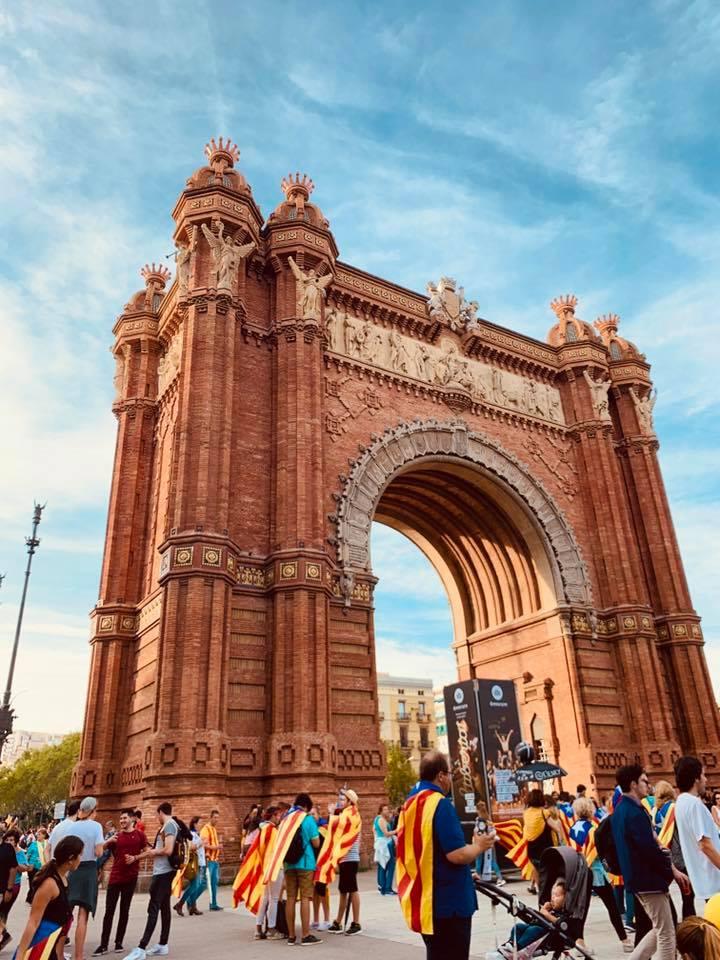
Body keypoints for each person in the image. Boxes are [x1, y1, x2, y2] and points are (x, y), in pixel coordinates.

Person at [396, 750, 495, 960]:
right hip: (450, 904)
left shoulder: (410, 804)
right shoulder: (439, 804)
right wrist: (479, 846)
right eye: (449, 773)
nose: (451, 778)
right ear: (441, 775)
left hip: (426, 901)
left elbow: (428, 852)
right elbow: (456, 855)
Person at [611, 764, 687, 960]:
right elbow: (648, 850)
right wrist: (667, 871)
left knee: (660, 927)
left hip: (637, 880)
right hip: (649, 880)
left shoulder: (620, 810)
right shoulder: (635, 813)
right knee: (666, 933)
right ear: (633, 784)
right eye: (644, 781)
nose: (648, 785)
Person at [569, 797, 631, 953]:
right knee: (612, 907)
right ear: (590, 810)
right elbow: (598, 853)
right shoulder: (593, 828)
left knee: (581, 909)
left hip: (580, 873)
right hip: (596, 873)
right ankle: (625, 941)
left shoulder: (573, 828)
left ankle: (579, 942)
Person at [49, 796, 104, 960]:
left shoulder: (71, 827)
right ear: (93, 810)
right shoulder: (96, 827)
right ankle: (78, 956)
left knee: (66, 913)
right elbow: (99, 852)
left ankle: (58, 953)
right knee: (83, 916)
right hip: (88, 871)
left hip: (72, 870)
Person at [123, 801, 179, 960]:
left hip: (163, 873)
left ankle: (141, 947)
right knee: (164, 908)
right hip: (165, 872)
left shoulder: (169, 825)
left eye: (157, 814)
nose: (157, 818)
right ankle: (163, 944)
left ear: (161, 812)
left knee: (153, 908)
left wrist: (154, 851)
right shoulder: (172, 825)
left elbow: (168, 850)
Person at [13, 836, 83, 960]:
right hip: (42, 946)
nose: (81, 860)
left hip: (52, 947)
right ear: (71, 859)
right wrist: (20, 955)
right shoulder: (49, 884)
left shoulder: (64, 879)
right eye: (80, 855)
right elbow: (33, 922)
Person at [93, 809, 147, 955]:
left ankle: (118, 943)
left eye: (124, 818)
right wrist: (108, 841)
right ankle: (103, 944)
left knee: (124, 910)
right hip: (116, 877)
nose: (122, 821)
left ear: (131, 819)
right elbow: (98, 850)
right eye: (121, 819)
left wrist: (135, 858)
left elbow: (147, 851)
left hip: (131, 877)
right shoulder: (116, 837)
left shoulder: (139, 835)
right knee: (109, 911)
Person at [675, 756, 720, 907]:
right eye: (703, 775)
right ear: (696, 779)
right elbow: (705, 845)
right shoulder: (694, 804)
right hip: (714, 880)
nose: (706, 780)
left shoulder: (681, 802)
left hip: (705, 880)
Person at [652, 779, 696, 921]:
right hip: (680, 856)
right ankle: (689, 925)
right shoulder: (673, 808)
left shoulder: (655, 812)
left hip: (666, 857)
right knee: (688, 895)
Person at [493, 878, 568, 957]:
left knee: (533, 929)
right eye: (552, 895)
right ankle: (511, 944)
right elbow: (539, 917)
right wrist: (543, 911)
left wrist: (545, 913)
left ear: (566, 899)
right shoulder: (550, 909)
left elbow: (558, 923)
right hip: (535, 927)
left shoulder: (564, 913)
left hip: (546, 936)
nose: (553, 898)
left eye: (557, 895)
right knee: (518, 927)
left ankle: (518, 948)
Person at [284, 793, 321, 946]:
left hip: (288, 864)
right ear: (306, 806)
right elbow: (316, 843)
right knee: (305, 898)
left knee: (291, 898)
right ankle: (305, 935)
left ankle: (291, 936)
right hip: (305, 863)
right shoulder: (308, 819)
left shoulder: (286, 820)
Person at [327, 789, 362, 936]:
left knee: (352, 890)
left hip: (350, 858)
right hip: (346, 858)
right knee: (343, 891)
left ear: (349, 801)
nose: (341, 801)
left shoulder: (352, 815)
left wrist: (332, 815)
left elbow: (339, 826)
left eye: (344, 799)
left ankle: (356, 922)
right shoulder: (348, 814)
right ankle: (338, 921)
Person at [523, 789, 562, 894]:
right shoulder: (544, 813)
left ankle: (540, 893)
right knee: (549, 876)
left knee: (537, 870)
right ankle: (547, 897)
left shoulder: (526, 813)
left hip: (531, 850)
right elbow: (557, 828)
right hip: (545, 850)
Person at [254, 806, 285, 941]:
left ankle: (258, 928)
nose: (279, 818)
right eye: (278, 816)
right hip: (275, 867)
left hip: (266, 867)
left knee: (265, 898)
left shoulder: (263, 829)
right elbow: (277, 850)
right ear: (273, 816)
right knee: (273, 899)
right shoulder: (272, 831)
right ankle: (271, 929)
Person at [174, 816, 206, 917]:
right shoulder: (191, 834)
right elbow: (191, 847)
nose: (201, 825)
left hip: (200, 862)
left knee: (197, 885)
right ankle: (181, 904)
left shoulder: (197, 834)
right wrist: (202, 843)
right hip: (195, 863)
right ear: (195, 824)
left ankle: (192, 906)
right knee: (196, 885)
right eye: (200, 823)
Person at [473, 802, 505, 887]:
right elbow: (493, 831)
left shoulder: (478, 820)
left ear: (477, 810)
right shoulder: (489, 819)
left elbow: (477, 832)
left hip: (480, 842)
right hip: (490, 843)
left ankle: (478, 878)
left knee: (479, 860)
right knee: (493, 861)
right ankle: (500, 878)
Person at [0, 829, 20, 950]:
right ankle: (4, 934)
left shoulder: (7, 848)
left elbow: (13, 869)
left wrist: (9, 889)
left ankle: (4, 934)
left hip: (2, 889)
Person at [199, 810, 222, 912]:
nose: (217, 819)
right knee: (204, 883)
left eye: (218, 817)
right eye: (215, 817)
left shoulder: (213, 829)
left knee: (214, 883)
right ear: (211, 817)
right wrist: (216, 847)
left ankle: (213, 904)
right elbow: (204, 845)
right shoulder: (206, 829)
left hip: (215, 860)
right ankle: (190, 900)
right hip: (209, 860)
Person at [373, 804, 396, 896]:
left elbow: (374, 830)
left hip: (381, 843)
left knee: (382, 865)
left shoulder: (377, 819)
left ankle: (382, 887)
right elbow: (386, 833)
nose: (387, 811)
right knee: (390, 865)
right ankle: (387, 888)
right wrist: (397, 831)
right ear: (381, 811)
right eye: (385, 809)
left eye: (387, 809)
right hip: (385, 844)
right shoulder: (381, 820)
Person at [26, 828, 49, 902]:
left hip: (43, 867)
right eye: (37, 834)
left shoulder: (48, 844)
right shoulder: (33, 844)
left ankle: (31, 897)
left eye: (39, 834)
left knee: (39, 884)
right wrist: (26, 864)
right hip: (33, 867)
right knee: (32, 883)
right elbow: (28, 855)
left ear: (44, 835)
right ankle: (32, 898)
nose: (37, 835)